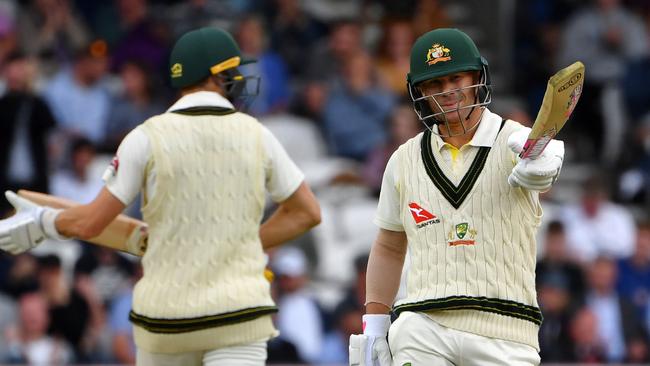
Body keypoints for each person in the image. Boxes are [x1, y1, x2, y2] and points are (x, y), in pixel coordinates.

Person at [0, 26, 321, 366]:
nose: (238, 78)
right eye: (232, 70)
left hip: (167, 321)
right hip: (238, 316)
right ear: (214, 75)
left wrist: (41, 223)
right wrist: (243, 242)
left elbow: (91, 223)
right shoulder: (258, 135)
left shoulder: (145, 137)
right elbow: (307, 213)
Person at [349, 28, 565, 365]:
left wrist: (542, 166)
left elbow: (545, 160)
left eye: (456, 79)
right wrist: (375, 326)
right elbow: (390, 246)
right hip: (424, 325)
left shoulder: (515, 140)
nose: (447, 92)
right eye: (434, 84)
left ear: (477, 77)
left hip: (505, 330)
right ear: (419, 91)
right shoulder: (404, 160)